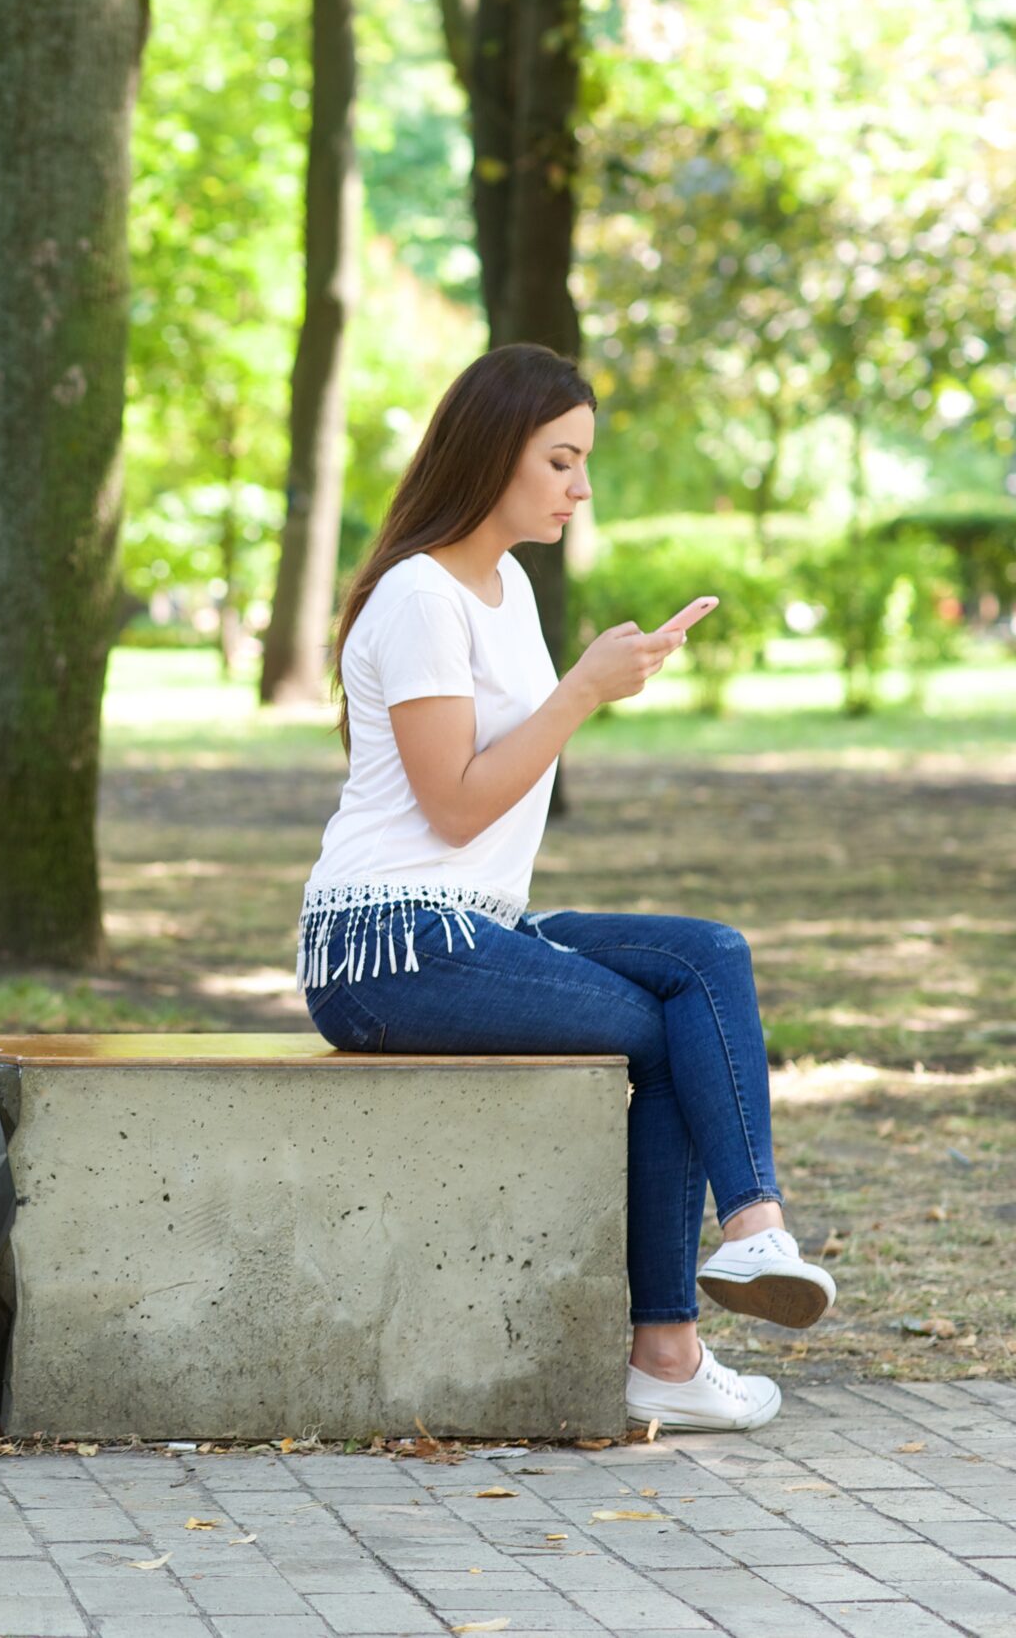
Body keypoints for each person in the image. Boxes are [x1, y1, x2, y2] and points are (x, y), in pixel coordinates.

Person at [296, 343, 832, 1434]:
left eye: (582, 462)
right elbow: (451, 804)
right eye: (559, 461)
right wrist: (583, 691)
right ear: (493, 454)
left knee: (708, 957)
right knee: (667, 1028)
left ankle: (751, 1237)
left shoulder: (505, 592)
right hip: (386, 944)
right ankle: (669, 1350)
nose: (579, 490)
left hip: (473, 926)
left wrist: (592, 684)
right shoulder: (418, 596)